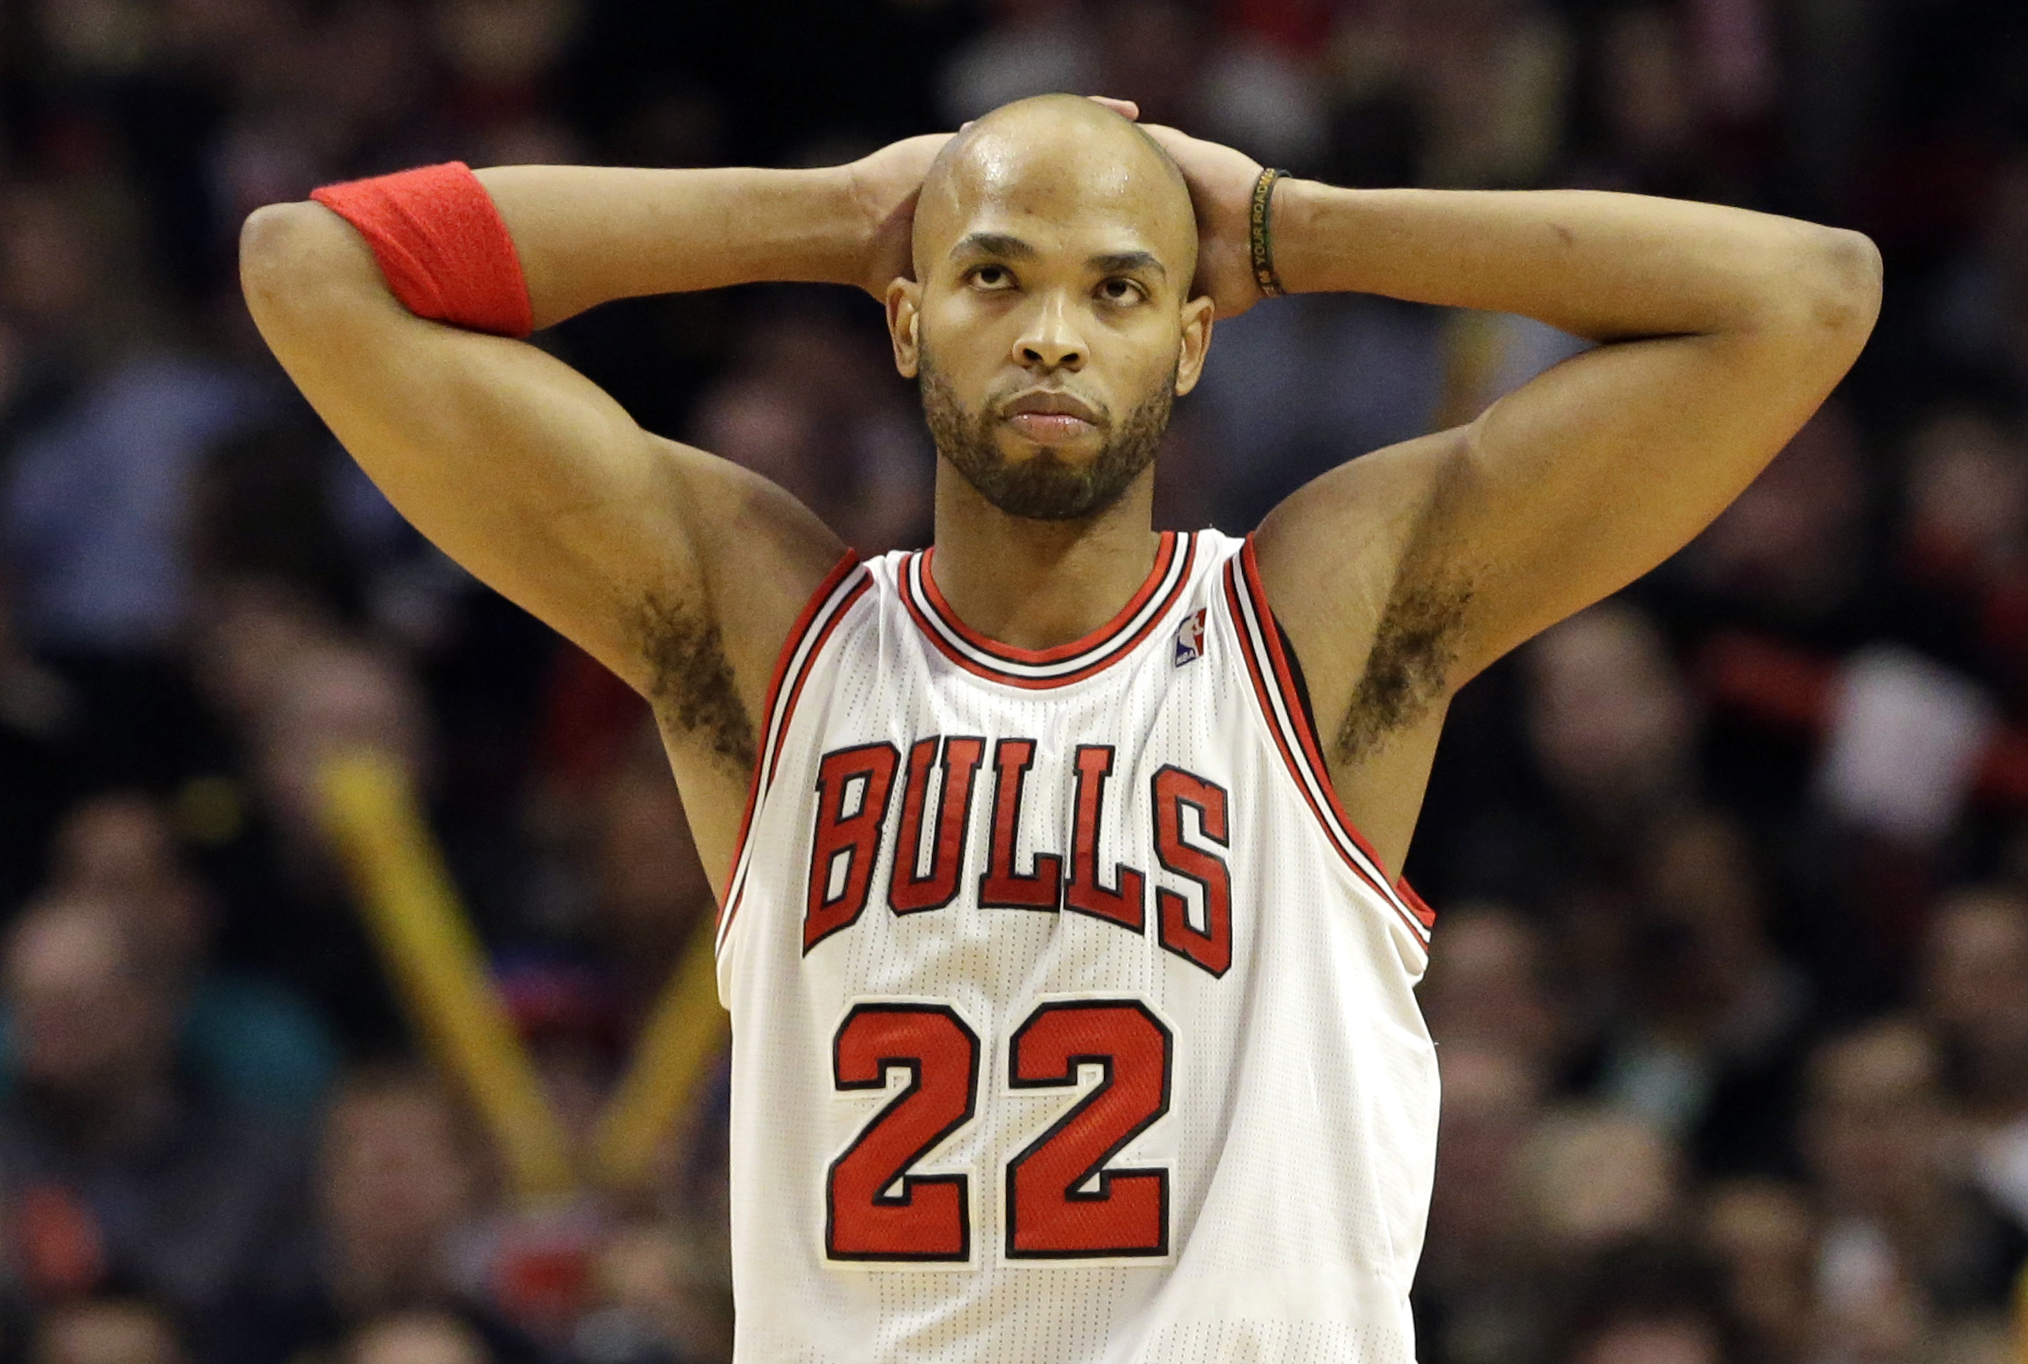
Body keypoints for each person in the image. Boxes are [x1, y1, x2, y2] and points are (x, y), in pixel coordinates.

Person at [239, 91, 1878, 1362]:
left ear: (1190, 340)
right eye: (991, 276)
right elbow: (313, 267)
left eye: (1117, 290)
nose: (1048, 333)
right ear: (902, 318)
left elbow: (1806, 293)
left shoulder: (1319, 623)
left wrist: (1302, 223)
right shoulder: (766, 640)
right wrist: (832, 213)